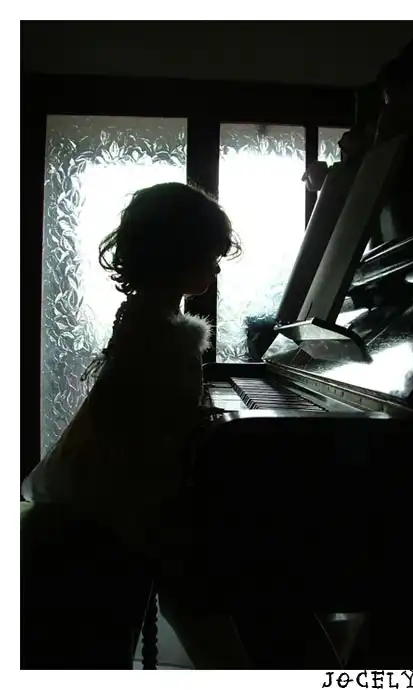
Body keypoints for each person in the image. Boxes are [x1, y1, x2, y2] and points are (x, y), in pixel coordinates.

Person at [21, 182, 249, 668]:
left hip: (91, 497)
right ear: (180, 254)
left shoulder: (145, 315)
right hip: (104, 515)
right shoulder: (164, 334)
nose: (216, 267)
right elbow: (154, 442)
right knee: (189, 581)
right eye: (210, 254)